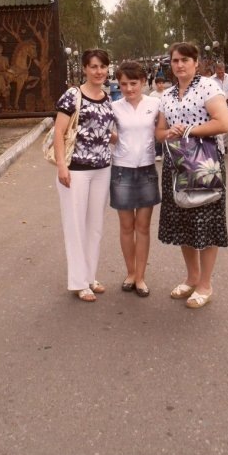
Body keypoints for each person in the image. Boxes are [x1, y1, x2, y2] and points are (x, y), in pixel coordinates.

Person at [155, 42, 228, 309]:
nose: (179, 65)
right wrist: (170, 132)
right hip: (176, 165)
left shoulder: (208, 87)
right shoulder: (167, 94)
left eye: (185, 60)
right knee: (184, 222)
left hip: (204, 163)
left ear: (196, 63)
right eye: (175, 60)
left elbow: (223, 123)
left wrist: (188, 130)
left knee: (206, 222)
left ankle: (205, 285)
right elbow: (159, 133)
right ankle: (192, 277)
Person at [54, 49, 114, 302]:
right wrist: (61, 166)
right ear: (85, 69)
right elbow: (59, 132)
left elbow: (106, 133)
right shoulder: (73, 95)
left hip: (102, 169)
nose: (99, 71)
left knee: (95, 227)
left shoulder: (107, 97)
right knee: (76, 226)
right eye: (94, 66)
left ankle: (90, 276)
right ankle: (79, 282)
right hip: (76, 170)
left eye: (103, 66)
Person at [110, 61, 161, 297]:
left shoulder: (155, 104)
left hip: (147, 170)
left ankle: (140, 277)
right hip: (122, 169)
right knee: (126, 226)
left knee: (142, 226)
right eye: (124, 84)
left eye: (133, 83)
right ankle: (130, 273)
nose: (129, 88)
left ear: (142, 81)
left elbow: (162, 130)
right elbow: (106, 133)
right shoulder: (113, 107)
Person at [211, 62, 228, 154]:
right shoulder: (211, 80)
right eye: (219, 72)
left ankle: (224, 144)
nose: (220, 74)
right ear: (215, 70)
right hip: (217, 108)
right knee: (219, 130)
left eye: (222, 72)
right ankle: (221, 150)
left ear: (224, 70)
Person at [149, 75, 166, 160]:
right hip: (156, 118)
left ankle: (167, 153)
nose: (161, 85)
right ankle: (158, 154)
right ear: (156, 84)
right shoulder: (152, 95)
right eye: (159, 83)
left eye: (162, 83)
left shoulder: (167, 93)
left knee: (167, 135)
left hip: (166, 118)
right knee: (158, 136)